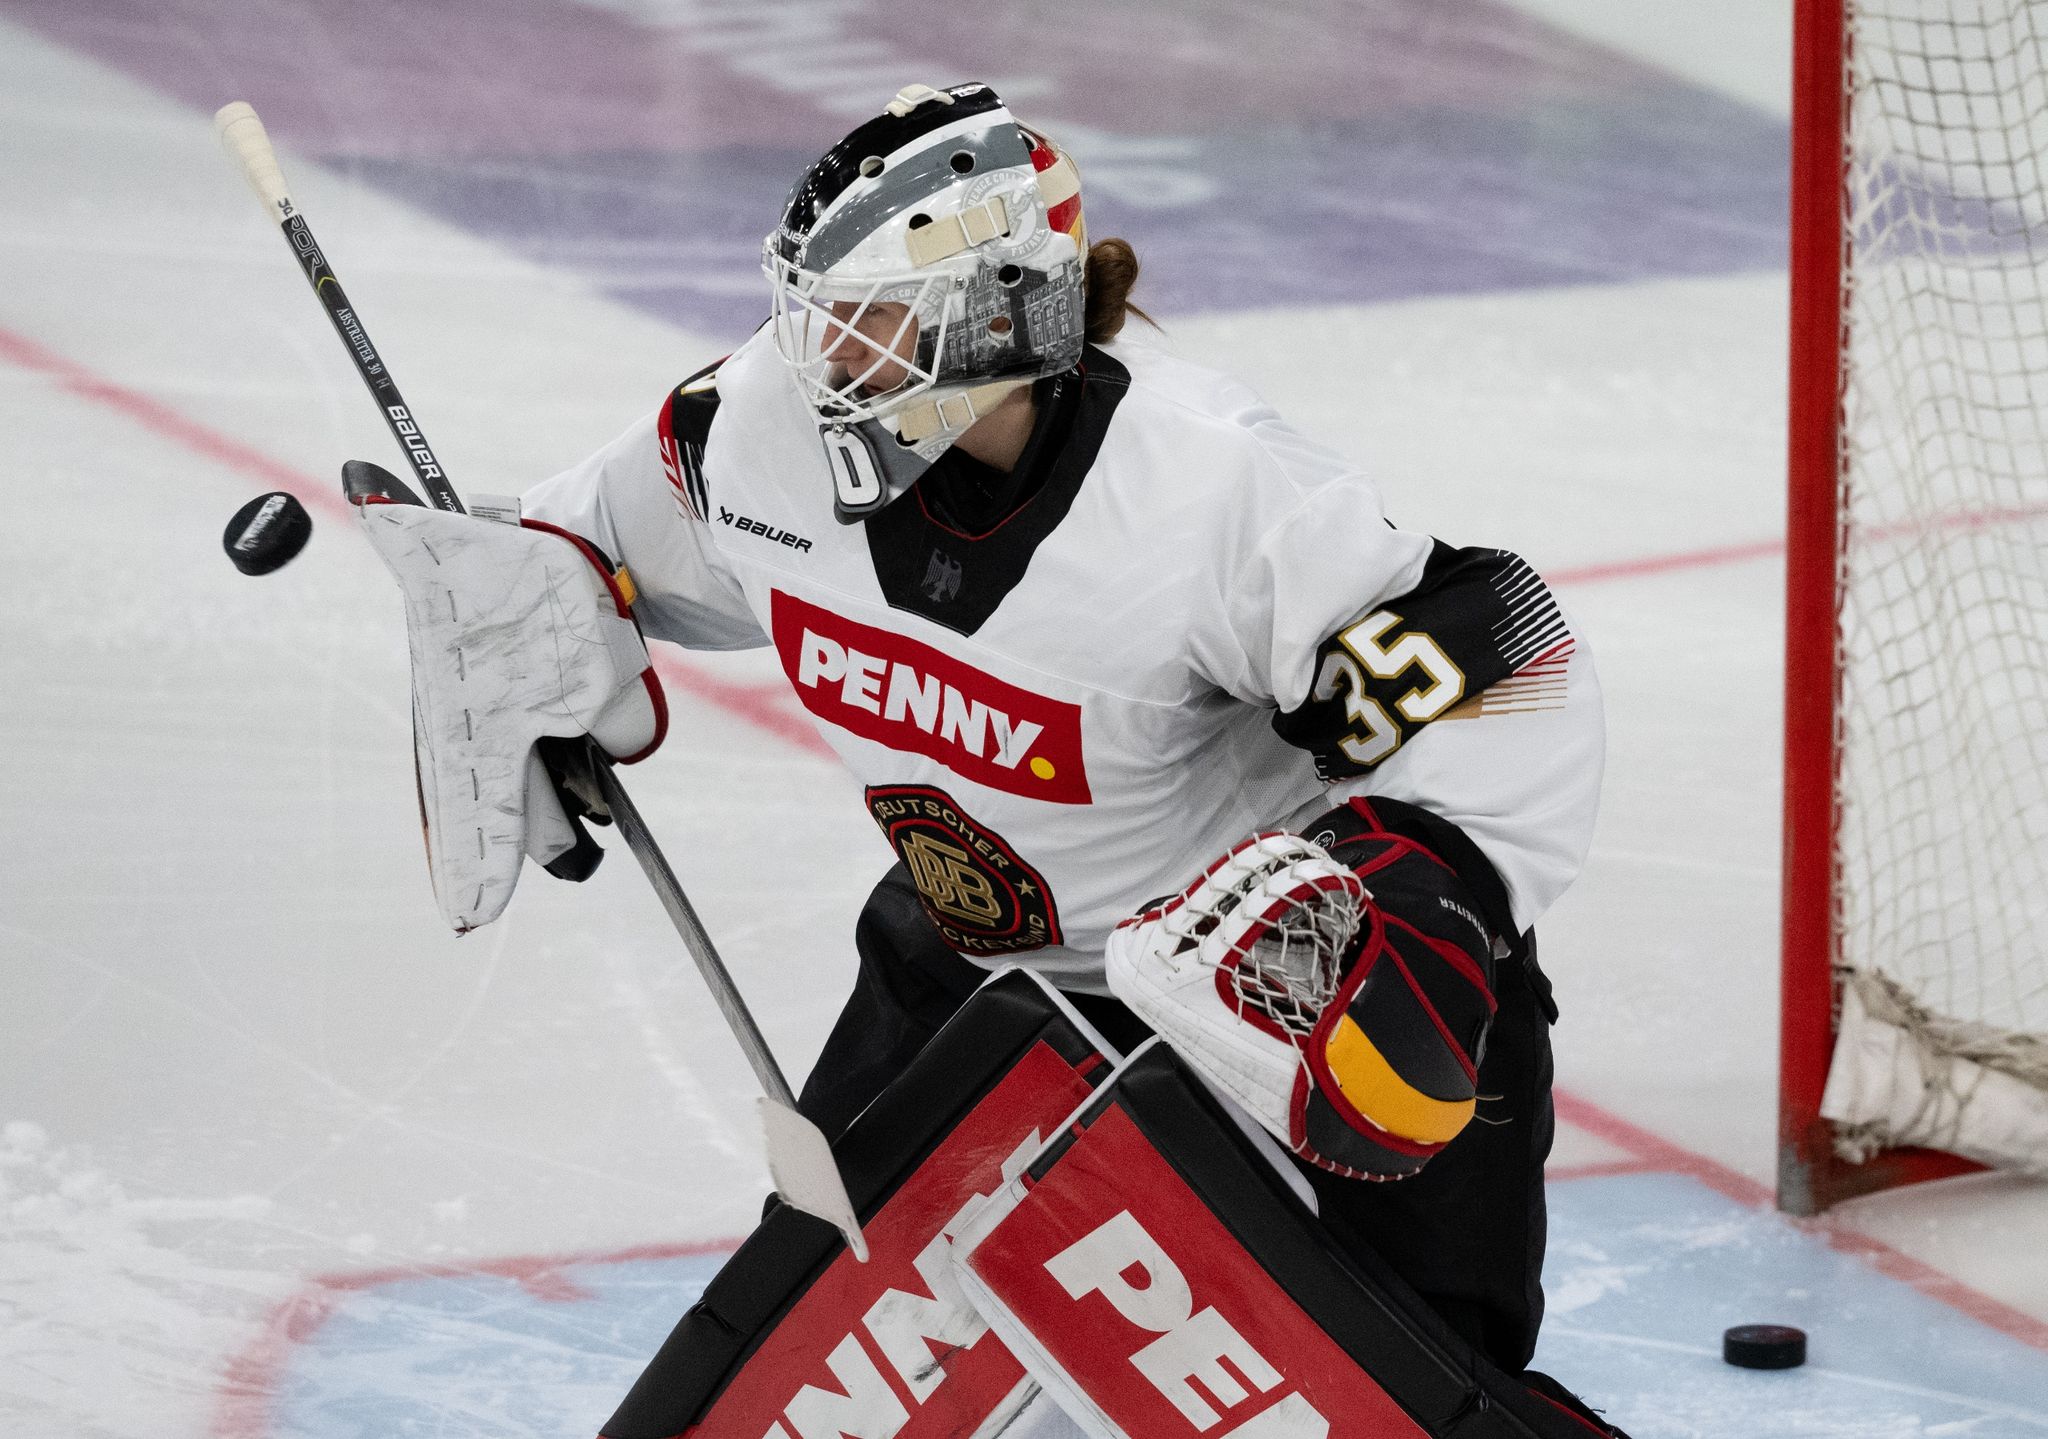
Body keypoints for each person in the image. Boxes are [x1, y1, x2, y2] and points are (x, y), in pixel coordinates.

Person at [520, 80, 1609, 1428]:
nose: (815, 361)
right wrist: (528, 632)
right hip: (970, 1000)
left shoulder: (1206, 486)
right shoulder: (753, 430)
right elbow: (585, 540)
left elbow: (1495, 665)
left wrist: (1430, 905)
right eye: (814, 318)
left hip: (1269, 1025)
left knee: (1403, 1406)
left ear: (994, 318)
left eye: (862, 323)